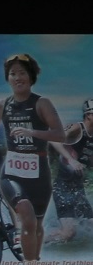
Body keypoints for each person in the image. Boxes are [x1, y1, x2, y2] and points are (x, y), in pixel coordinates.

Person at [0, 54, 69, 265]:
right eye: (13, 73)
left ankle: (33, 262)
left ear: (31, 78)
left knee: (37, 226)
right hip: (11, 172)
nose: (17, 77)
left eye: (22, 73)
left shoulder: (42, 103)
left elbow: (60, 135)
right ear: (8, 78)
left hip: (39, 172)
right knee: (26, 215)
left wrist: (32, 132)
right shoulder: (2, 105)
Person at [46, 100, 92, 246]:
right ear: (89, 115)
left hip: (78, 188)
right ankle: (39, 241)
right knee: (69, 233)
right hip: (62, 187)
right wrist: (70, 160)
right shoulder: (77, 128)